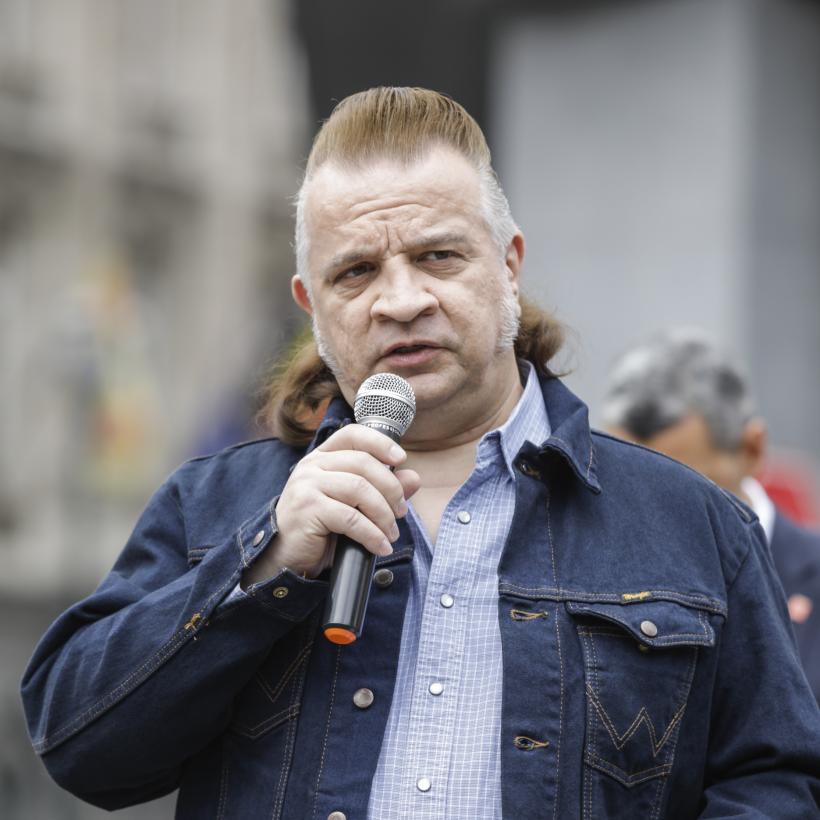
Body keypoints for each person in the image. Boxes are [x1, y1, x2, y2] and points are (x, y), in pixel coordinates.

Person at [21, 88, 820, 819]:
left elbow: (774, 779)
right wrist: (262, 568)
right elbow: (80, 749)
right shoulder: (216, 507)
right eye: (357, 271)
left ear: (508, 264)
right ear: (312, 304)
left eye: (438, 256)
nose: (401, 301)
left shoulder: (694, 525)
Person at [601, 327, 820, 705]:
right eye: (624, 484)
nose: (647, 514)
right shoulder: (592, 578)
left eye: (682, 491)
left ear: (751, 450)